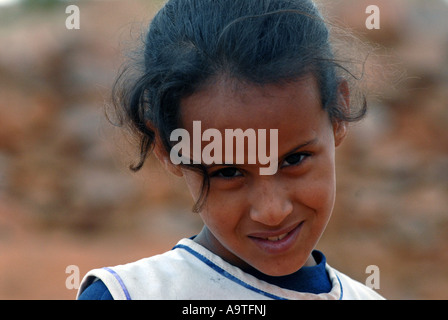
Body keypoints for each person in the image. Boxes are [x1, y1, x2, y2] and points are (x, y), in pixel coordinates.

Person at [77, 0, 384, 300]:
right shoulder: (130, 294)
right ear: (167, 147)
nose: (272, 212)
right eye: (228, 172)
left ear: (338, 113)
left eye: (294, 159)